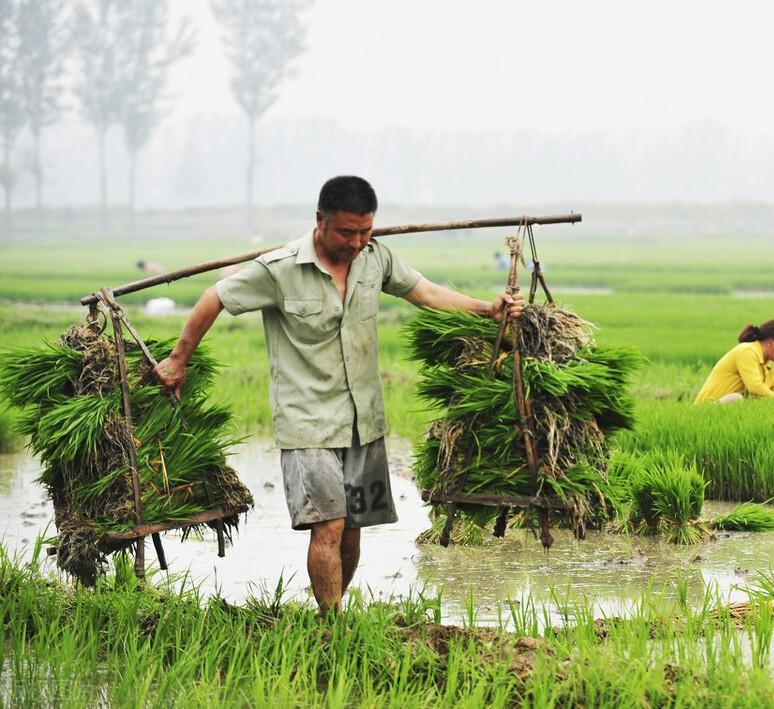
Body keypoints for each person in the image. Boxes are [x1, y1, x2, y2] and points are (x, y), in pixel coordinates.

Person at [153, 176, 524, 613]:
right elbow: (214, 296)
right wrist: (178, 359)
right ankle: (334, 625)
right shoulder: (280, 268)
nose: (357, 241)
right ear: (320, 222)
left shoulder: (376, 258)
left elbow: (426, 293)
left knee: (352, 530)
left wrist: (487, 309)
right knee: (327, 524)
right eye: (347, 232)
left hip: (363, 420)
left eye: (365, 231)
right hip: (307, 422)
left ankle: (332, 614)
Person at [694, 320, 774, 403]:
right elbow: (755, 387)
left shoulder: (769, 364)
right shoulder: (747, 351)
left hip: (730, 410)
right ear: (771, 341)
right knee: (736, 398)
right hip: (709, 406)